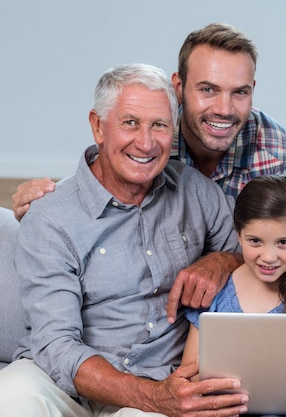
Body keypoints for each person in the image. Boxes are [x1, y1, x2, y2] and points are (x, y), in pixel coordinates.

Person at [11, 22, 286, 323]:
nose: (224, 109)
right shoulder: (151, 135)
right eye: (208, 89)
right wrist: (46, 205)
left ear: (252, 90)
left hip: (234, 313)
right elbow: (102, 174)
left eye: (239, 92)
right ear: (179, 88)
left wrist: (225, 260)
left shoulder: (280, 156)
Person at [0, 64, 249, 416]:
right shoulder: (51, 216)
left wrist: (224, 260)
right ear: (98, 126)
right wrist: (150, 395)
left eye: (159, 125)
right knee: (11, 393)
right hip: (66, 384)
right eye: (130, 122)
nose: (145, 143)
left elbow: (257, 258)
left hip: (161, 379)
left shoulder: (195, 191)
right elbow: (57, 344)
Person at [181, 175, 286, 377]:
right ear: (238, 235)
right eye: (255, 241)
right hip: (230, 406)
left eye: (283, 242)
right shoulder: (215, 292)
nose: (268, 257)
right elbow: (188, 375)